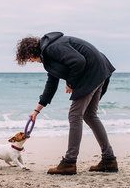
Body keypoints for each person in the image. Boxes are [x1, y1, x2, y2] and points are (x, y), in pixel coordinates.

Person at [16, 32, 118, 175]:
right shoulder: (50, 56)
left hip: (92, 71)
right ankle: (109, 159)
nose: (31, 61)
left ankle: (70, 162)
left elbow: (79, 61)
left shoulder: (52, 48)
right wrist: (37, 110)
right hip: (100, 70)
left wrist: (71, 82)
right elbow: (51, 84)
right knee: (89, 115)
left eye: (29, 58)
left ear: (30, 51)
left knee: (75, 115)